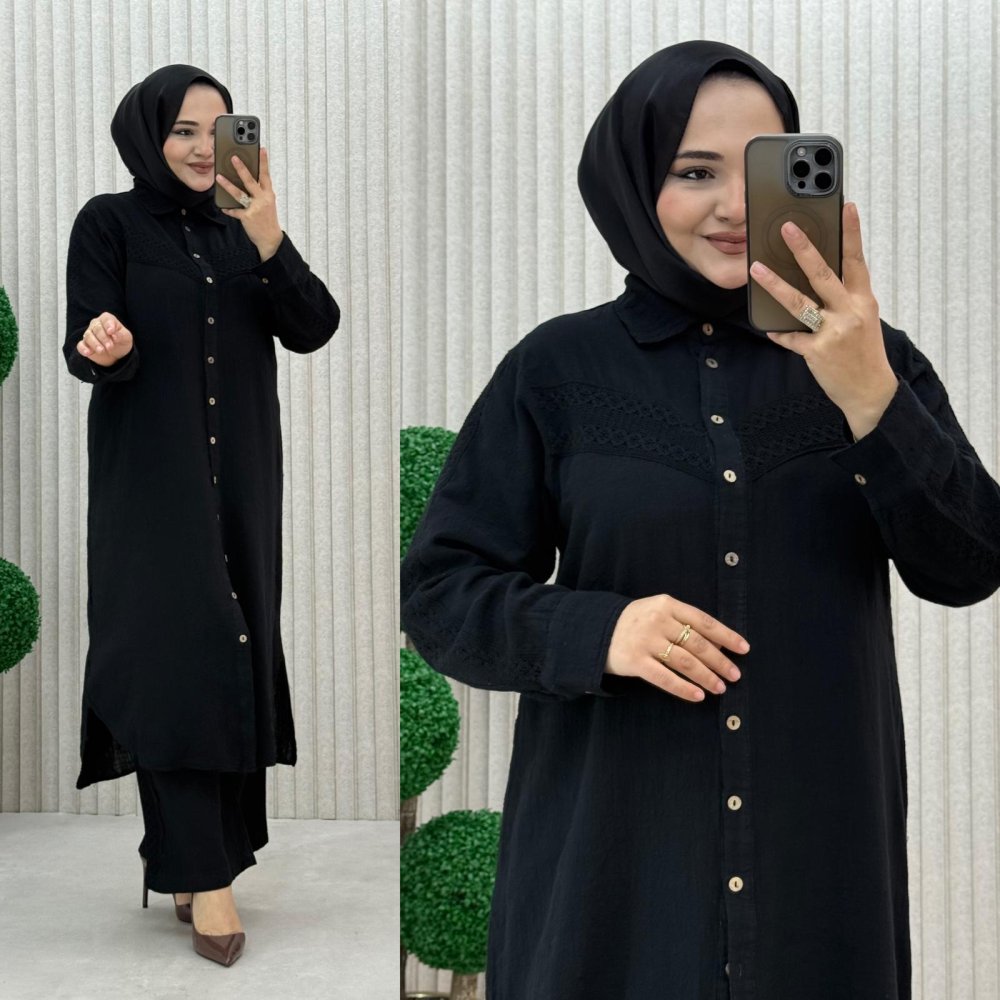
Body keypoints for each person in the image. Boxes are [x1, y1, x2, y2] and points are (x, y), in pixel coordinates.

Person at [400, 40, 1000, 999]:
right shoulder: (555, 371)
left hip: (816, 873)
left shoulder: (875, 360)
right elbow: (439, 595)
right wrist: (599, 630)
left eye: (759, 169)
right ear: (635, 184)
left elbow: (968, 565)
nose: (733, 207)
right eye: (693, 172)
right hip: (613, 876)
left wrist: (871, 397)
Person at [63, 64, 340, 966]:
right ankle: (206, 877)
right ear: (148, 134)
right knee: (174, 662)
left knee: (233, 653)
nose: (200, 147)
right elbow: (85, 342)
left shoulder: (243, 234)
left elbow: (314, 326)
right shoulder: (108, 224)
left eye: (217, 130)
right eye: (182, 129)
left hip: (245, 483)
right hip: (152, 485)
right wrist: (106, 344)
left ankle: (187, 860)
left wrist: (270, 235)